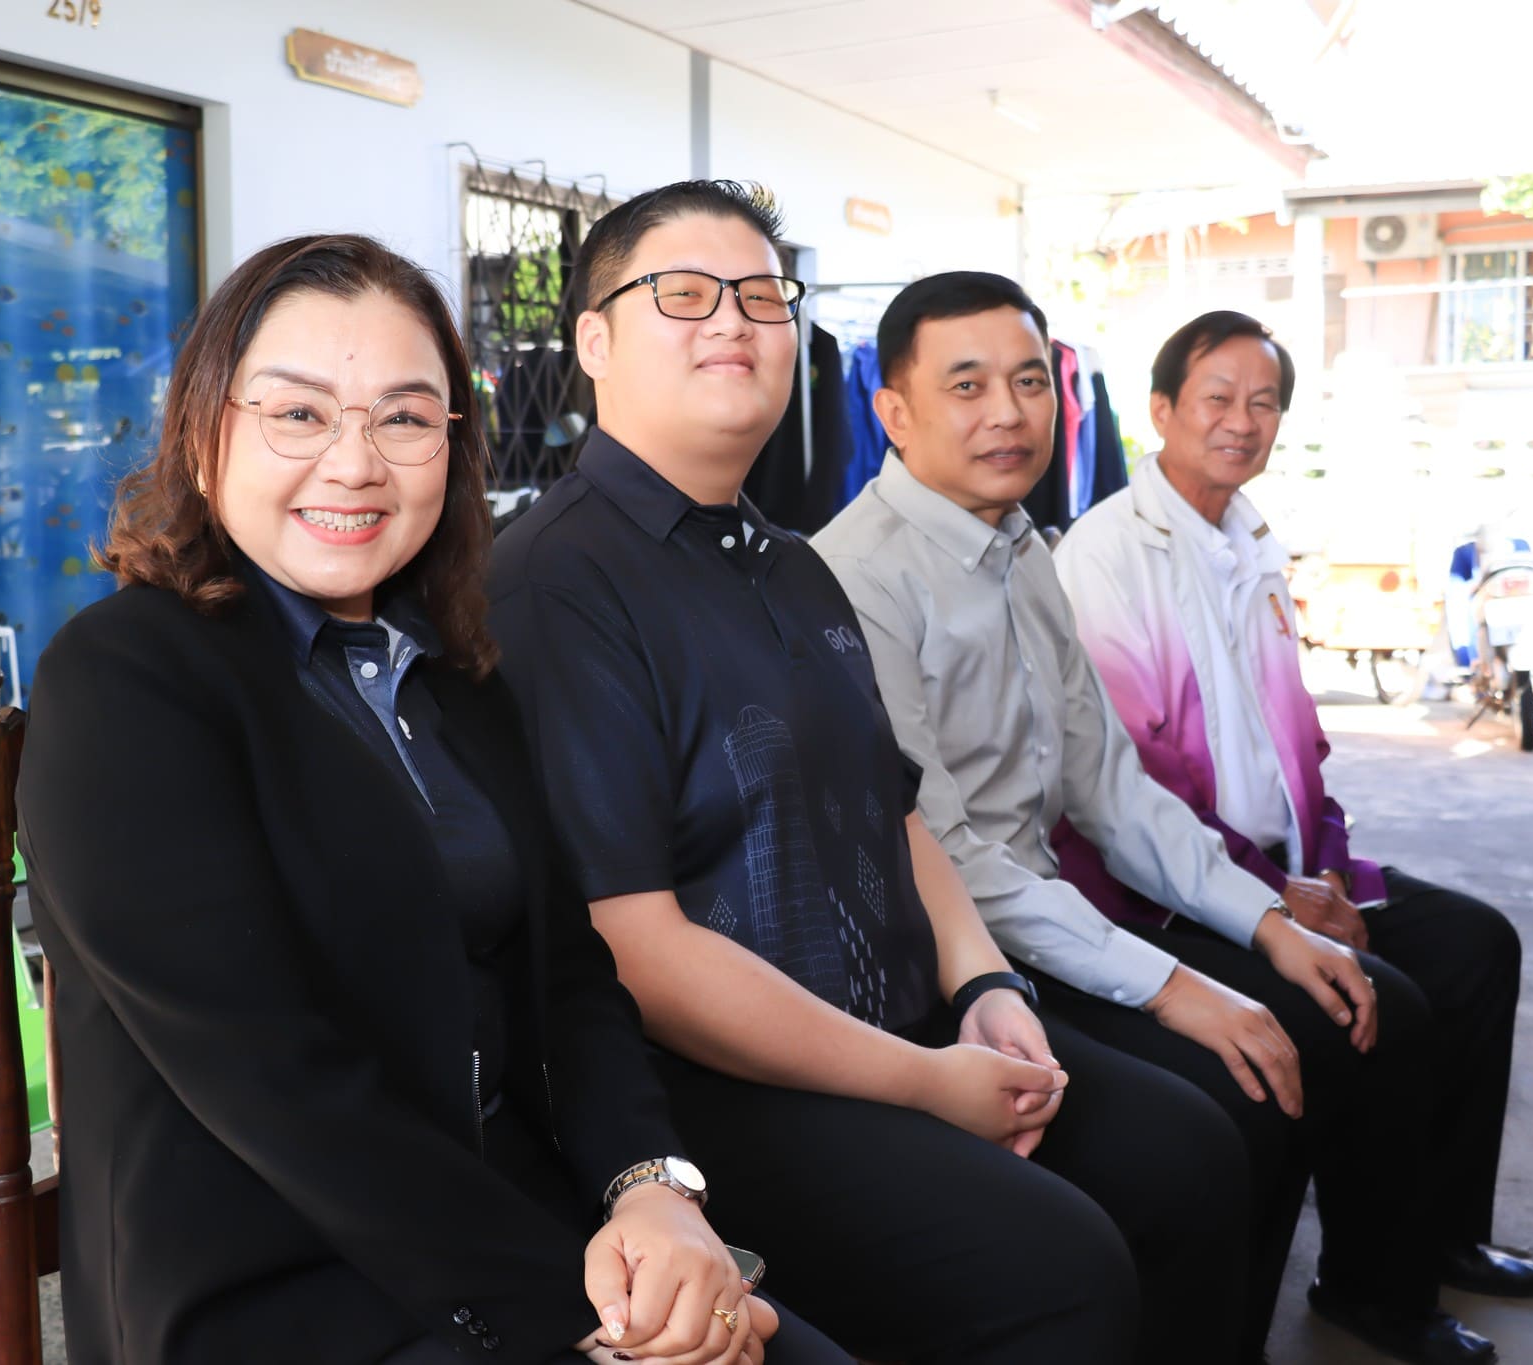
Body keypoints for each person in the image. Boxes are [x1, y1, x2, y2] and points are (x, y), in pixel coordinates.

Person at [17, 233, 846, 1365]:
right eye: (298, 414)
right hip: (272, 1279)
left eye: (405, 419)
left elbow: (568, 981)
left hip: (505, 1211)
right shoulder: (121, 682)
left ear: (450, 449)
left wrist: (651, 1192)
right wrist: (585, 1318)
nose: (355, 463)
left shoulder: (455, 677)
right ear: (206, 437)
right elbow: (272, 1082)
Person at [489, 180, 1251, 1365]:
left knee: (1190, 1154)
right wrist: (923, 1083)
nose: (732, 321)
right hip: (720, 1084)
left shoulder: (791, 561)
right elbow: (633, 948)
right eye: (683, 294)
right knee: (1057, 1268)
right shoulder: (553, 580)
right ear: (592, 342)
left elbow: (896, 814)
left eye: (760, 296)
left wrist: (986, 986)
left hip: (909, 1020)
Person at [810, 272, 1506, 1365]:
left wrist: (1265, 921)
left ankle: (1337, 1302)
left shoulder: (1020, 549)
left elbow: (1112, 784)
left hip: (1046, 917)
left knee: (1328, 1016)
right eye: (967, 386)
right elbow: (944, 859)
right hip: (947, 961)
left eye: (1029, 382)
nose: (1008, 413)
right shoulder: (854, 580)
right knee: (1222, 1111)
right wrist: (1178, 984)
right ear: (892, 411)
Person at [1054, 309, 1533, 1364]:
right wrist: (1279, 897)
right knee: (1380, 1005)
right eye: (1216, 399)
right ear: (1160, 411)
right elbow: (1134, 779)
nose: (1241, 421)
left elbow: (1295, 738)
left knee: (1475, 945)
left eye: (1263, 402)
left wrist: (1324, 868)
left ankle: (1441, 1234)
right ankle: (1372, 1289)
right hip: (1174, 886)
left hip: (1290, 863)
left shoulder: (1254, 541)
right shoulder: (1106, 556)